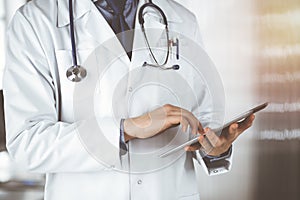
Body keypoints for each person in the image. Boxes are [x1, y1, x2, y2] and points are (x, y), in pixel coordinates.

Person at [3, 0, 255, 199]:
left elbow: (202, 117)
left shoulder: (180, 19)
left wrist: (214, 147)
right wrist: (126, 129)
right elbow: (27, 142)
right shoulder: (36, 22)